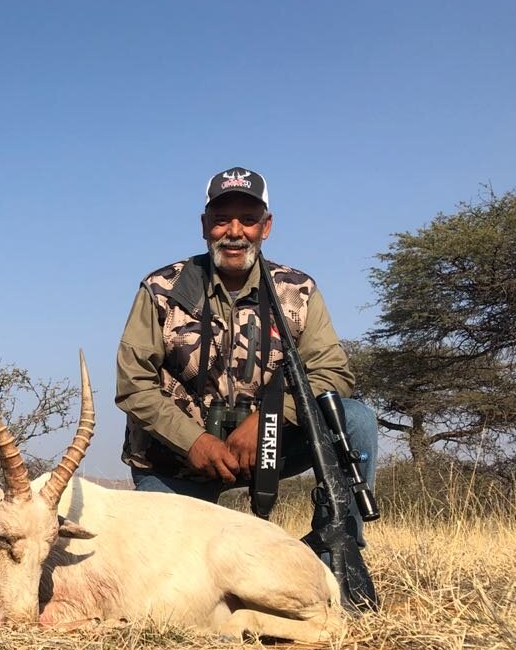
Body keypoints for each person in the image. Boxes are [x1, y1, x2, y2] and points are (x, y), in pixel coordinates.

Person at [116, 167, 377, 520]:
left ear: (265, 227)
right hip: (177, 461)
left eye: (248, 220)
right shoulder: (161, 288)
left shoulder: (298, 291)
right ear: (205, 225)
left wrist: (269, 420)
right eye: (222, 220)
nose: (235, 233)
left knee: (357, 421)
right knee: (173, 569)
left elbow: (332, 373)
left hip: (268, 448)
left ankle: (338, 557)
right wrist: (194, 441)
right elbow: (134, 386)